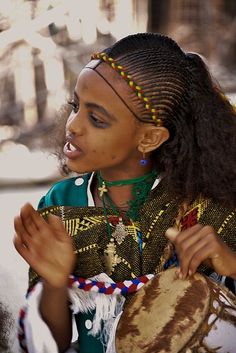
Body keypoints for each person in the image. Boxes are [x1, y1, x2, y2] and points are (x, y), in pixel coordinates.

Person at [13, 32, 236, 353]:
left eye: (97, 119)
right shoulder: (59, 207)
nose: (73, 125)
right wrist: (55, 283)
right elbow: (53, 344)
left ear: (149, 138)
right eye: (76, 105)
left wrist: (230, 264)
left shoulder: (209, 207)